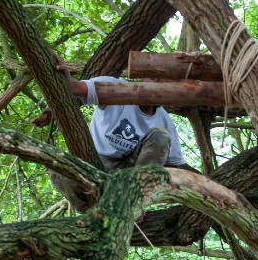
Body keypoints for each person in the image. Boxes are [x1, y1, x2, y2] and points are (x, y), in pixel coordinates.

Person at [47, 62, 186, 211]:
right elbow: (74, 88)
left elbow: (172, 167)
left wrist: (150, 191)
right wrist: (63, 73)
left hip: (128, 175)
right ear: (144, 77)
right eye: (154, 78)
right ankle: (95, 214)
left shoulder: (164, 122)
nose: (156, 85)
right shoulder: (113, 88)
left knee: (160, 136)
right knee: (53, 164)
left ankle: (132, 202)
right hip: (94, 163)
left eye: (164, 84)